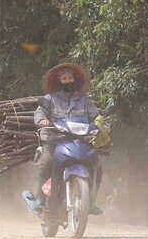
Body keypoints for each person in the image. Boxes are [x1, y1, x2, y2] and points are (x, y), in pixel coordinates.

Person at [22, 62, 98, 213]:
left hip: (78, 140)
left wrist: (101, 124)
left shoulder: (84, 100)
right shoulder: (50, 99)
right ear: (59, 81)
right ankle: (40, 200)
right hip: (54, 141)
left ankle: (89, 200)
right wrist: (42, 120)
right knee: (46, 163)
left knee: (95, 163)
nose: (68, 81)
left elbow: (96, 116)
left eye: (70, 78)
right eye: (64, 78)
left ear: (74, 80)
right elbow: (40, 112)